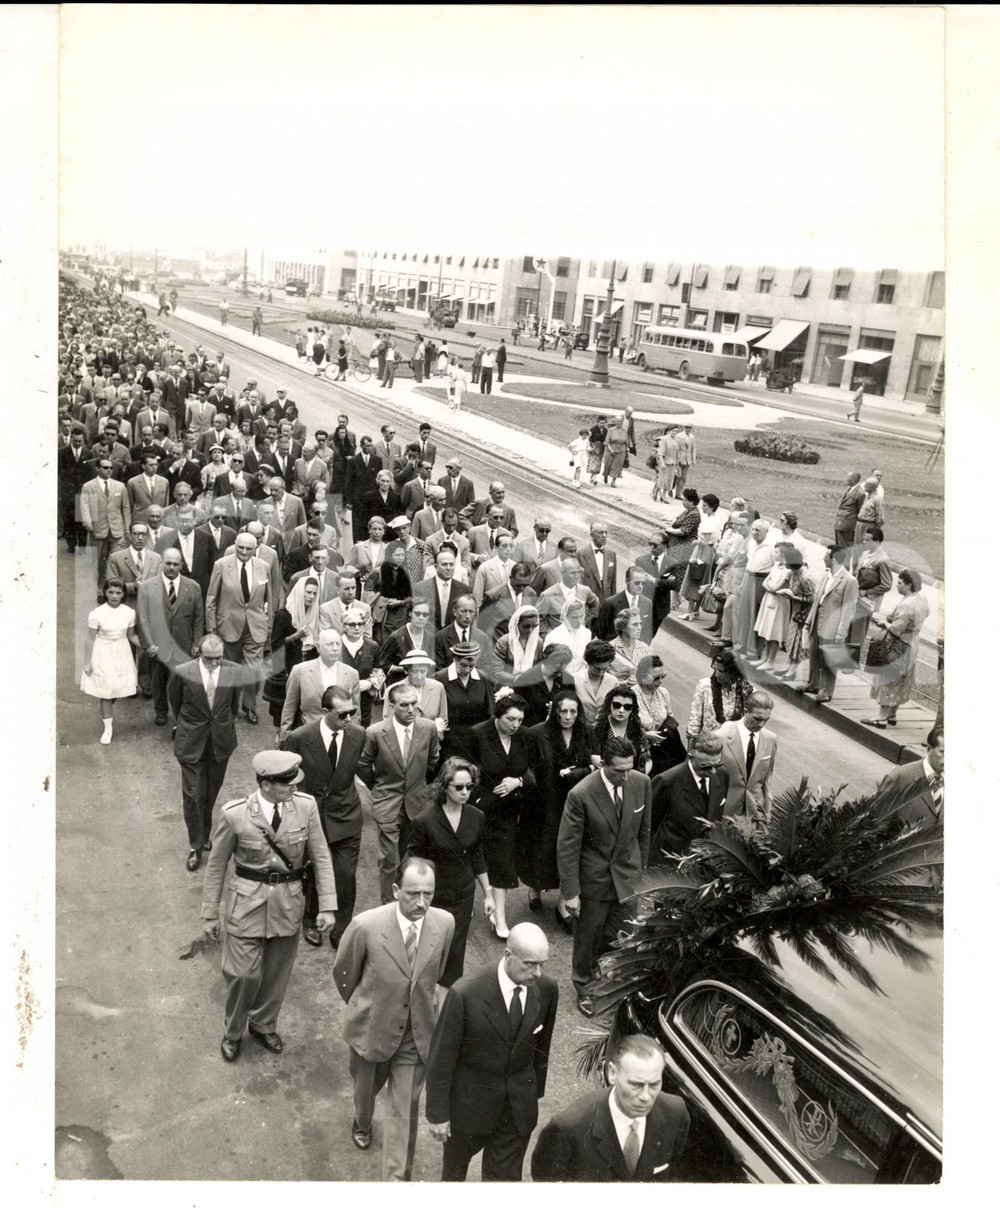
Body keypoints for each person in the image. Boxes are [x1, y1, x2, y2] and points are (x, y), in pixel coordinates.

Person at [201, 750, 338, 1063]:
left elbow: (320, 856)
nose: (294, 787)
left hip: (287, 902)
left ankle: (263, 1024)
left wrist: (328, 905)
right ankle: (233, 1031)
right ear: (265, 784)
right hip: (245, 902)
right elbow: (217, 865)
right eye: (287, 783)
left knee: (276, 974)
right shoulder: (235, 814)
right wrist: (210, 913)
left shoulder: (305, 806)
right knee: (242, 975)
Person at [333, 857, 454, 1178]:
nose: (422, 903)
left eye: (428, 894)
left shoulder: (444, 923)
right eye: (413, 894)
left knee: (404, 1112)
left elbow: (436, 972)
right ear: (396, 889)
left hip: (416, 1034)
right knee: (365, 1092)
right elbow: (344, 974)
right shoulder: (366, 926)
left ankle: (396, 1182)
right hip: (371, 1030)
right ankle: (362, 1121)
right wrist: (365, 1007)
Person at [425, 923, 558, 1181]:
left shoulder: (547, 988)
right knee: (453, 1180)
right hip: (468, 1109)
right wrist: (438, 1114)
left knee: (502, 1187)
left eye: (542, 964)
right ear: (508, 955)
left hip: (515, 1111)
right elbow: (442, 1057)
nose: (537, 973)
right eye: (530, 964)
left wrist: (532, 1094)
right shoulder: (466, 993)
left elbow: (542, 1048)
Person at [558, 738, 651, 1016]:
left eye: (630, 768)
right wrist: (570, 893)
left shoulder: (642, 783)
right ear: (602, 765)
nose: (626, 776)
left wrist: (641, 873)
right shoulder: (581, 794)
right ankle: (586, 987)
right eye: (619, 771)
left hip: (628, 876)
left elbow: (644, 833)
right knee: (588, 938)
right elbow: (568, 846)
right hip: (594, 879)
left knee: (622, 936)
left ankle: (614, 984)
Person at [531, 1033, 690, 1182]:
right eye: (636, 1085)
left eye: (654, 1085)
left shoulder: (675, 1113)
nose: (646, 1097)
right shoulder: (568, 1129)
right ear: (612, 1073)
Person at [281, 683, 365, 949]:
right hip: (312, 815)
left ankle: (342, 927)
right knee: (313, 870)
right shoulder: (300, 737)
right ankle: (311, 921)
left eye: (352, 712)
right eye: (342, 714)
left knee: (345, 874)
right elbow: (286, 776)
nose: (348, 718)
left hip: (346, 814)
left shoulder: (358, 735)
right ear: (325, 711)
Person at [407, 759, 494, 987]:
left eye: (469, 786)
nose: (465, 792)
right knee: (429, 949)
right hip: (433, 897)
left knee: (456, 951)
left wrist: (488, 894)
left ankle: (448, 998)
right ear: (444, 786)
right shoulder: (424, 821)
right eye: (459, 787)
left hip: (463, 894)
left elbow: (478, 856)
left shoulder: (476, 816)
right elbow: (414, 862)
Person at [357, 681, 441, 903]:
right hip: (387, 802)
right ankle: (389, 905)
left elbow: (433, 759)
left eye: (414, 703)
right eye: (404, 705)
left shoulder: (428, 728)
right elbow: (363, 764)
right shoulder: (375, 732)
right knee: (389, 860)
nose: (411, 709)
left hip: (417, 803)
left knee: (414, 857)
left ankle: (412, 902)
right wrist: (379, 786)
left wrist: (418, 783)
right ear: (392, 706)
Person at [168, 635, 242, 870]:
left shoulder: (233, 671)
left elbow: (233, 705)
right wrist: (188, 724)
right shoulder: (183, 672)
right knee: (193, 794)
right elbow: (175, 702)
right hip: (191, 741)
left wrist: (223, 725)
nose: (214, 663)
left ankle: (205, 834)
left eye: (218, 658)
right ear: (199, 654)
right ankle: (195, 846)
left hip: (219, 741)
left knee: (210, 792)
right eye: (209, 658)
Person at [522, 689, 594, 929]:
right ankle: (536, 887)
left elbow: (595, 764)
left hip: (575, 798)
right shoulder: (537, 733)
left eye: (573, 711)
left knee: (570, 848)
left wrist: (579, 772)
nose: (568, 716)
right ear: (555, 712)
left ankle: (563, 902)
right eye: (563, 711)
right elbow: (527, 766)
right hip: (545, 800)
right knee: (543, 847)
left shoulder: (587, 732)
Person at [468, 692, 534, 939]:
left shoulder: (524, 736)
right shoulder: (478, 734)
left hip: (508, 810)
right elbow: (466, 770)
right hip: (479, 808)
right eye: (510, 719)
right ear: (498, 715)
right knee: (472, 857)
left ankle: (500, 916)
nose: (515, 725)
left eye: (520, 720)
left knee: (502, 860)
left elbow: (533, 769)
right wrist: (477, 800)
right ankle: (467, 903)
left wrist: (518, 781)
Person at [205, 532, 271, 724]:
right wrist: (211, 628)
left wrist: (268, 625)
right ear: (235, 545)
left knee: (253, 670)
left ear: (255, 549)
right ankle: (230, 707)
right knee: (230, 670)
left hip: (255, 626)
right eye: (240, 547)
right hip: (228, 626)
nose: (243, 552)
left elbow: (269, 599)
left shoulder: (263, 567)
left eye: (248, 548)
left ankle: (250, 706)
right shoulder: (221, 565)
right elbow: (211, 598)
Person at [136, 548, 205, 727]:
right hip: (158, 646)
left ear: (181, 565)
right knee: (158, 681)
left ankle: (180, 716)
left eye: (175, 564)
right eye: (168, 563)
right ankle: (160, 711)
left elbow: (199, 618)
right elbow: (142, 619)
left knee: (182, 684)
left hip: (184, 645)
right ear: (162, 563)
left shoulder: (193, 587)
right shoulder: (147, 586)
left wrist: (197, 643)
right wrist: (148, 644)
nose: (171, 567)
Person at [863, 568, 930, 728]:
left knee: (889, 676)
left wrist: (885, 623)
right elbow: (926, 613)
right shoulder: (921, 599)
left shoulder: (906, 605)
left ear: (908, 585)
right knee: (902, 679)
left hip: (899, 643)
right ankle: (892, 714)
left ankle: (881, 717)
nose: (897, 586)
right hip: (913, 643)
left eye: (900, 583)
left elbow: (897, 628)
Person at [80, 576, 141, 743]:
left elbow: (131, 635)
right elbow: (90, 639)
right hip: (103, 653)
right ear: (105, 593)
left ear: (123, 594)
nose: (114, 596)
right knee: (106, 694)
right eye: (111, 592)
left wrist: (147, 646)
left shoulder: (129, 613)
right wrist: (87, 662)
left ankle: (105, 712)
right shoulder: (97, 614)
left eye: (118, 593)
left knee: (117, 689)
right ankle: (108, 729)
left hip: (122, 653)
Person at [650, 732, 731, 856]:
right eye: (705, 766)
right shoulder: (667, 781)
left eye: (718, 765)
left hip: (707, 856)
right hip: (672, 856)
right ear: (690, 757)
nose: (713, 772)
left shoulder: (723, 775)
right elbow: (650, 824)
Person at [263, 575, 320, 739]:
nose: (311, 597)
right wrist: (296, 636)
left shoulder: (314, 614)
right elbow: (275, 645)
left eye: (314, 593)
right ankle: (280, 742)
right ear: (299, 592)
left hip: (308, 669)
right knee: (285, 712)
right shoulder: (284, 615)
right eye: (308, 592)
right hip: (287, 669)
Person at [280, 627, 360, 735]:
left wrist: (353, 738)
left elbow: (355, 713)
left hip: (340, 734)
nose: (335, 648)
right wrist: (285, 737)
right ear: (318, 647)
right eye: (329, 644)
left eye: (338, 644)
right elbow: (289, 708)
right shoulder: (300, 671)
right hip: (308, 734)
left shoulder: (351, 673)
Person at [803, 546, 859, 702]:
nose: (823, 558)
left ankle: (827, 691)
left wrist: (841, 632)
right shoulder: (826, 576)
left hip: (832, 626)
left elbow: (848, 609)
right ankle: (813, 683)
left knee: (829, 658)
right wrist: (808, 621)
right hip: (818, 621)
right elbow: (817, 601)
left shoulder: (849, 581)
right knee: (814, 654)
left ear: (834, 559)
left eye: (826, 556)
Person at [716, 689, 779, 818]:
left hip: (755, 813)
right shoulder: (721, 736)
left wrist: (767, 812)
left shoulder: (771, 739)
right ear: (745, 712)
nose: (761, 724)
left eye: (766, 720)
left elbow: (767, 779)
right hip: (725, 811)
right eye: (757, 719)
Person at [436, 640, 493, 760]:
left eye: (471, 666)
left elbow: (490, 710)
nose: (467, 670)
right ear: (455, 660)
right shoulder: (440, 679)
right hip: (450, 743)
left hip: (476, 741)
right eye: (463, 665)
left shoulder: (482, 678)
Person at [80, 456, 131, 587]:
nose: (109, 470)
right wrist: (87, 522)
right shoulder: (88, 486)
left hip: (117, 530)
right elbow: (84, 506)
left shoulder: (120, 486)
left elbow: (125, 507)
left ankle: (114, 588)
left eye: (111, 468)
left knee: (116, 561)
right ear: (98, 468)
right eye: (105, 467)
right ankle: (96, 588)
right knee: (97, 562)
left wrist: (127, 527)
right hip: (97, 529)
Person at [634, 655, 686, 777]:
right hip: (642, 752)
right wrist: (645, 735)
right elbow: (624, 727)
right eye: (656, 678)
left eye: (663, 676)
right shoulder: (631, 695)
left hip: (664, 750)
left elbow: (670, 718)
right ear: (643, 676)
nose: (660, 681)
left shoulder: (663, 693)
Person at [687, 647, 752, 739]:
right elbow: (694, 720)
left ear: (732, 672)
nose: (716, 674)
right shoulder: (704, 686)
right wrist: (691, 746)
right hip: (708, 742)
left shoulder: (747, 692)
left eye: (721, 671)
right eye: (715, 669)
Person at [848, 526, 893, 656]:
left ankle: (853, 660)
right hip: (856, 597)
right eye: (864, 539)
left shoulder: (883, 560)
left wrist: (867, 592)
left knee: (858, 633)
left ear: (877, 541)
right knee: (849, 628)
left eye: (868, 540)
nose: (864, 542)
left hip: (866, 602)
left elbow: (887, 584)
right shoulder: (865, 553)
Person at [733, 518, 775, 658]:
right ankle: (740, 646)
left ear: (766, 531)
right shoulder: (751, 543)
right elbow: (749, 563)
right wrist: (742, 583)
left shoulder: (771, 547)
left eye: (758, 530)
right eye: (753, 529)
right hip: (748, 578)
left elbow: (776, 568)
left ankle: (753, 650)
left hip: (761, 580)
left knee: (756, 616)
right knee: (743, 614)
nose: (755, 532)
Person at [678, 494, 723, 620]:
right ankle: (695, 610)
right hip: (708, 552)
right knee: (701, 579)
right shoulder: (716, 520)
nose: (702, 507)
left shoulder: (710, 522)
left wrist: (696, 542)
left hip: (702, 551)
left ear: (711, 507)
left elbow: (705, 540)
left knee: (694, 578)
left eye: (705, 505)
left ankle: (690, 611)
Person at [752, 544, 793, 675]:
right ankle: (765, 658)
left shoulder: (788, 570)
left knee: (774, 630)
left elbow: (776, 587)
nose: (774, 554)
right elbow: (765, 582)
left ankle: (771, 661)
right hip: (769, 598)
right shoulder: (775, 566)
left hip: (779, 602)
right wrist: (771, 587)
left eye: (776, 552)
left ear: (783, 555)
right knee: (766, 628)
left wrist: (770, 587)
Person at [592, 685, 651, 773]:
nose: (621, 710)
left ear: (632, 709)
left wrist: (639, 776)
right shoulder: (596, 728)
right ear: (609, 705)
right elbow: (592, 758)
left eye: (627, 707)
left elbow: (647, 760)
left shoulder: (638, 730)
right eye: (616, 705)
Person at [492, 604, 543, 686]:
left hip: (532, 685)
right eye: (526, 626)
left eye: (533, 626)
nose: (530, 630)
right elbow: (497, 671)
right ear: (517, 623)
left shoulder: (538, 642)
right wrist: (517, 679)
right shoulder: (504, 642)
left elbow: (540, 667)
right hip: (507, 685)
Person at [542, 597, 591, 676]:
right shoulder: (553, 636)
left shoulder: (586, 633)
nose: (579, 620)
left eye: (581, 616)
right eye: (574, 617)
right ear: (565, 616)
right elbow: (549, 664)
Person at [609, 608, 653, 686]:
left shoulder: (645, 648)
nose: (639, 628)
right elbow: (601, 679)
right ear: (623, 627)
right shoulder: (610, 649)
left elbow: (651, 675)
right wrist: (623, 683)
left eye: (640, 624)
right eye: (635, 624)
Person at [832, 471, 864, 550]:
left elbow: (860, 510)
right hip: (840, 522)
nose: (846, 480)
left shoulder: (860, 493)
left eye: (848, 478)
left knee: (845, 547)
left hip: (847, 524)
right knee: (838, 546)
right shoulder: (849, 489)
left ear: (854, 480)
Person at [601, 417, 629, 488]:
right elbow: (607, 442)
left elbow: (627, 443)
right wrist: (611, 450)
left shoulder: (625, 431)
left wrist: (627, 450)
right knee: (608, 464)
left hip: (621, 450)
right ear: (615, 422)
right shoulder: (611, 430)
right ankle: (606, 475)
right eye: (618, 421)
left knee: (617, 466)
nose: (619, 423)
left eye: (620, 421)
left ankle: (613, 481)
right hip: (611, 449)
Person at [653, 427, 679, 501]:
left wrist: (676, 463)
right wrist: (662, 463)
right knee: (662, 479)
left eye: (676, 431)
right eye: (673, 431)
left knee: (669, 480)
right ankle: (656, 492)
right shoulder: (665, 439)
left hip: (672, 463)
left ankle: (664, 496)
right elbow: (660, 453)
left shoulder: (677, 440)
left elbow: (677, 453)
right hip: (665, 462)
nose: (674, 432)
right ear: (670, 431)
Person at [586, 417, 608, 487]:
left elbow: (606, 439)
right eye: (601, 423)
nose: (602, 424)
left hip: (601, 448)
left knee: (598, 463)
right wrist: (589, 447)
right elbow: (588, 438)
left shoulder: (605, 430)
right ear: (598, 422)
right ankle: (593, 478)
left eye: (603, 423)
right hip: (594, 448)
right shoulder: (593, 429)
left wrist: (605, 442)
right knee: (594, 462)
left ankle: (593, 478)